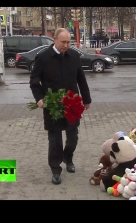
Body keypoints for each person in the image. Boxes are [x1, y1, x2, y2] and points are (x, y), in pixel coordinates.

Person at [29, 28, 92, 185]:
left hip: (72, 103)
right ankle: (55, 169)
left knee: (72, 137)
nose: (66, 45)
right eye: (63, 42)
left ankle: (68, 157)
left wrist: (86, 98)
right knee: (55, 139)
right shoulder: (43, 57)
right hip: (52, 104)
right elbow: (34, 81)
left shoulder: (74, 56)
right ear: (54, 39)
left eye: (68, 42)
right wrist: (39, 99)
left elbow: (81, 79)